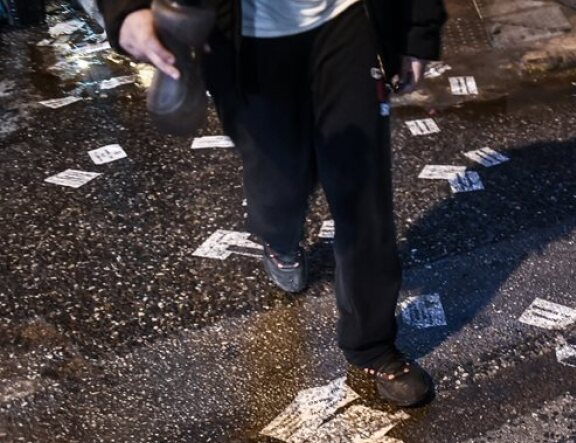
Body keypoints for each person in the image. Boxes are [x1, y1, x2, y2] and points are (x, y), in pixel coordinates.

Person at [98, 0, 446, 407]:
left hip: (347, 21)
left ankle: (371, 346)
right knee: (281, 187)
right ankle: (280, 241)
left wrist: (417, 30)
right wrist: (125, 10)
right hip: (245, 37)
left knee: (363, 193)